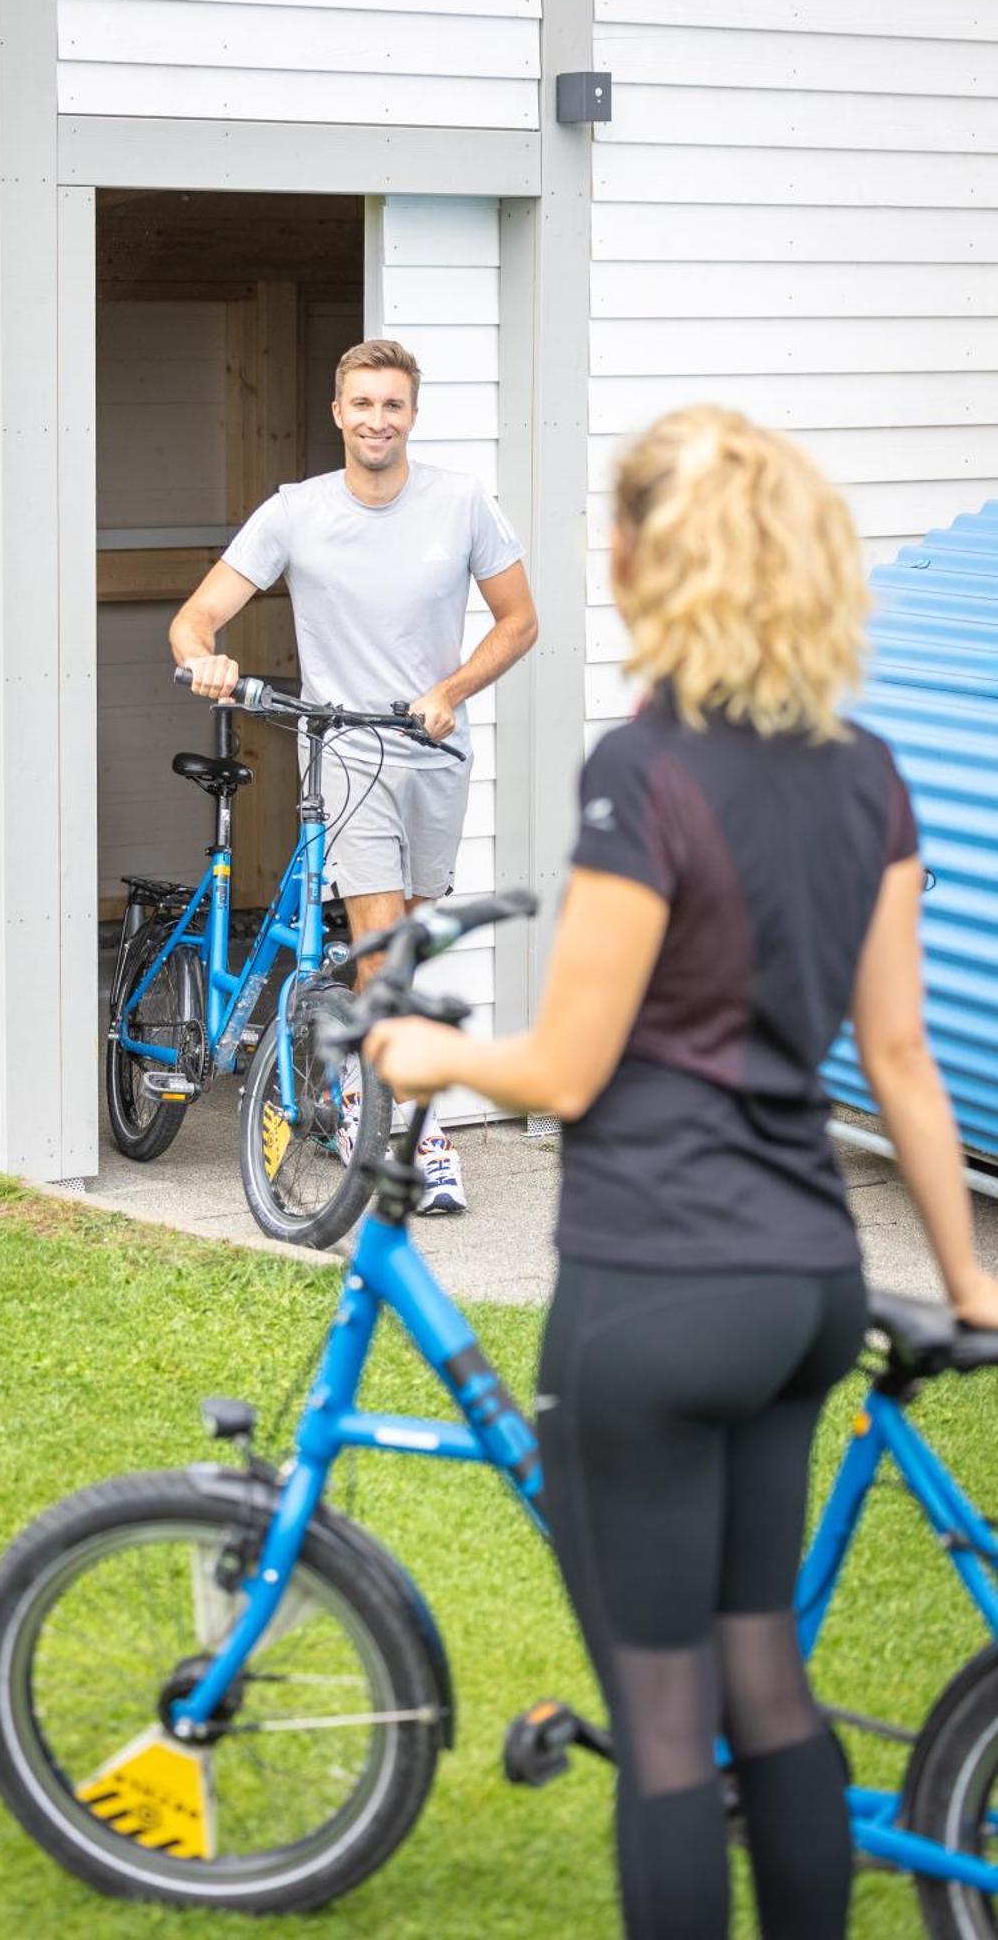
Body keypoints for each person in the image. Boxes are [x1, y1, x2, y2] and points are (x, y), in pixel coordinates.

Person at [365, 404, 998, 1937]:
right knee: (764, 1690)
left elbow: (568, 1070)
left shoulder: (641, 771)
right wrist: (970, 1281)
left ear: (650, 557)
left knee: (662, 1733)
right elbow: (901, 1061)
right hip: (801, 1292)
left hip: (656, 1287)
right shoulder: (867, 773)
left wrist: (431, 1056)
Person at [170, 337, 537, 1215]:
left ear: (413, 415)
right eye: (362, 404)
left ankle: (349, 1093)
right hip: (342, 749)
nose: (378, 420)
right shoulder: (295, 512)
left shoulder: (461, 505)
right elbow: (196, 619)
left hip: (434, 749)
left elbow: (519, 620)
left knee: (405, 938)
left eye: (393, 405)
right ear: (338, 413)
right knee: (380, 938)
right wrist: (205, 661)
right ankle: (413, 1127)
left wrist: (450, 689)